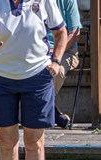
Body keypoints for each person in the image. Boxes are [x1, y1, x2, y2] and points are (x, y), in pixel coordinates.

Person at [0, 0, 67, 160]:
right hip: (0, 77)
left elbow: (60, 31)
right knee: (6, 141)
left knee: (34, 142)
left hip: (37, 77)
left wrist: (57, 61)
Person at [48, 0, 83, 128]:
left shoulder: (68, 1)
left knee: (56, 70)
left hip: (67, 51)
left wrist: (56, 53)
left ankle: (43, 109)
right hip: (40, 51)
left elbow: (74, 33)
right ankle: (52, 113)